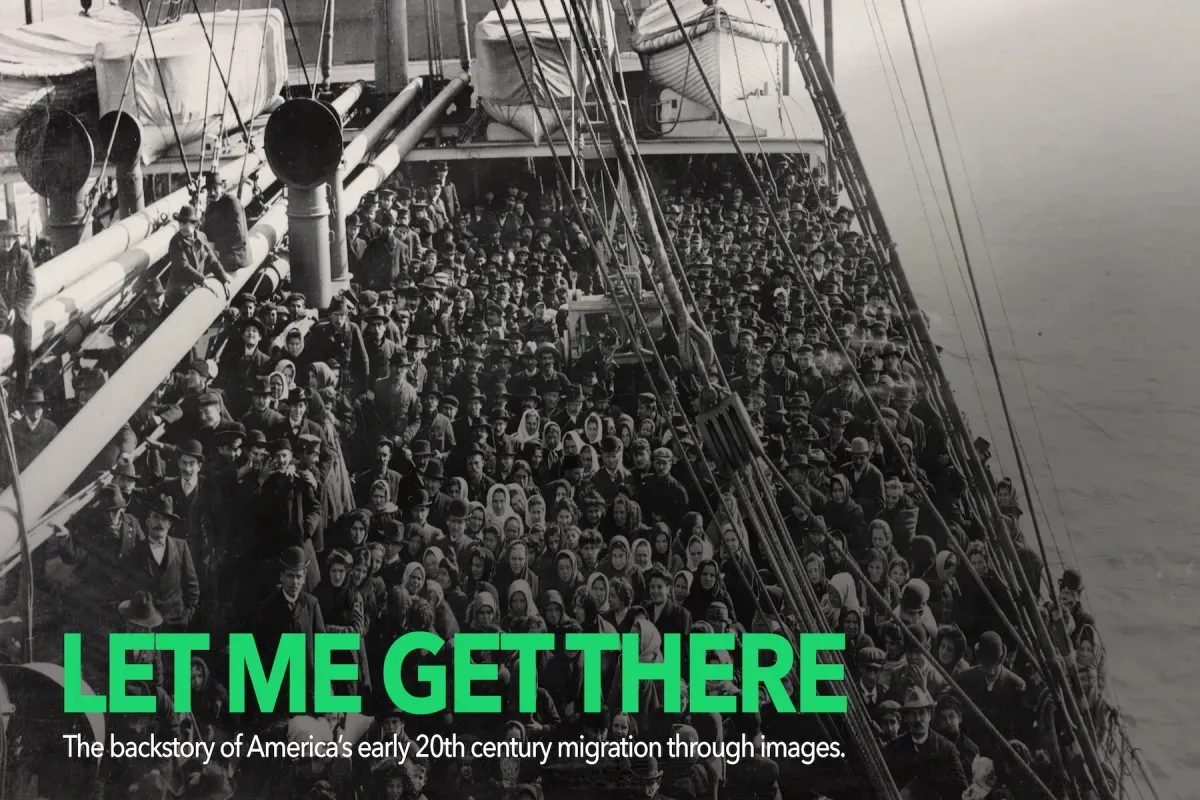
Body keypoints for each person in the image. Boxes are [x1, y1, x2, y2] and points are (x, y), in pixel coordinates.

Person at [167, 205, 230, 306]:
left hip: (197, 285)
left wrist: (224, 279)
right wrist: (203, 280)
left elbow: (212, 260)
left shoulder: (202, 237)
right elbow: (184, 266)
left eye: (184, 223)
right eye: (180, 223)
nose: (181, 227)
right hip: (179, 291)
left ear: (194, 224)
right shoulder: (176, 242)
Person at [0, 219, 35, 394]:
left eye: (9, 238)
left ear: (15, 239)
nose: (6, 242)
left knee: (24, 353)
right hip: (2, 315)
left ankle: (21, 396)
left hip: (20, 315)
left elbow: (30, 288)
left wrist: (16, 308)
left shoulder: (24, 257)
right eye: (2, 238)